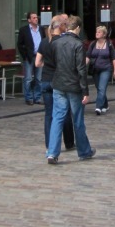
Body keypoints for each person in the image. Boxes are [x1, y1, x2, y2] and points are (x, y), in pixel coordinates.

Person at [46, 15, 95, 164]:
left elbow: (54, 63)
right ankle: (84, 151)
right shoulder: (78, 44)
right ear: (78, 28)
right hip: (73, 86)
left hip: (59, 85)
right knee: (78, 120)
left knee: (57, 118)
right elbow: (81, 69)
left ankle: (52, 153)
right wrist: (85, 91)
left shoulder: (56, 42)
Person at [36, 15, 75, 154]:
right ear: (60, 26)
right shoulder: (62, 42)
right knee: (64, 113)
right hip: (58, 81)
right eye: (64, 24)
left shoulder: (45, 41)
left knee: (49, 115)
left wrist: (47, 64)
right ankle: (69, 142)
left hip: (45, 79)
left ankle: (49, 144)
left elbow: (37, 63)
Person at [86, 25, 115, 115]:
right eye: (96, 32)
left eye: (99, 32)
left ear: (104, 34)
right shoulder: (92, 44)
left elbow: (114, 58)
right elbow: (88, 56)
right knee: (99, 88)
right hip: (95, 69)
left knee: (102, 87)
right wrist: (82, 65)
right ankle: (105, 104)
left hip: (106, 69)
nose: (97, 33)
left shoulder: (109, 44)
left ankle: (98, 107)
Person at [17, 11, 45, 105]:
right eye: (33, 18)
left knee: (39, 78)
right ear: (29, 20)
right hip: (29, 57)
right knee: (28, 78)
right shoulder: (24, 30)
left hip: (39, 56)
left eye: (36, 17)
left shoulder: (41, 29)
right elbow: (20, 45)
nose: (36, 19)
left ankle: (37, 97)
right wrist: (25, 56)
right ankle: (28, 97)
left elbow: (44, 41)